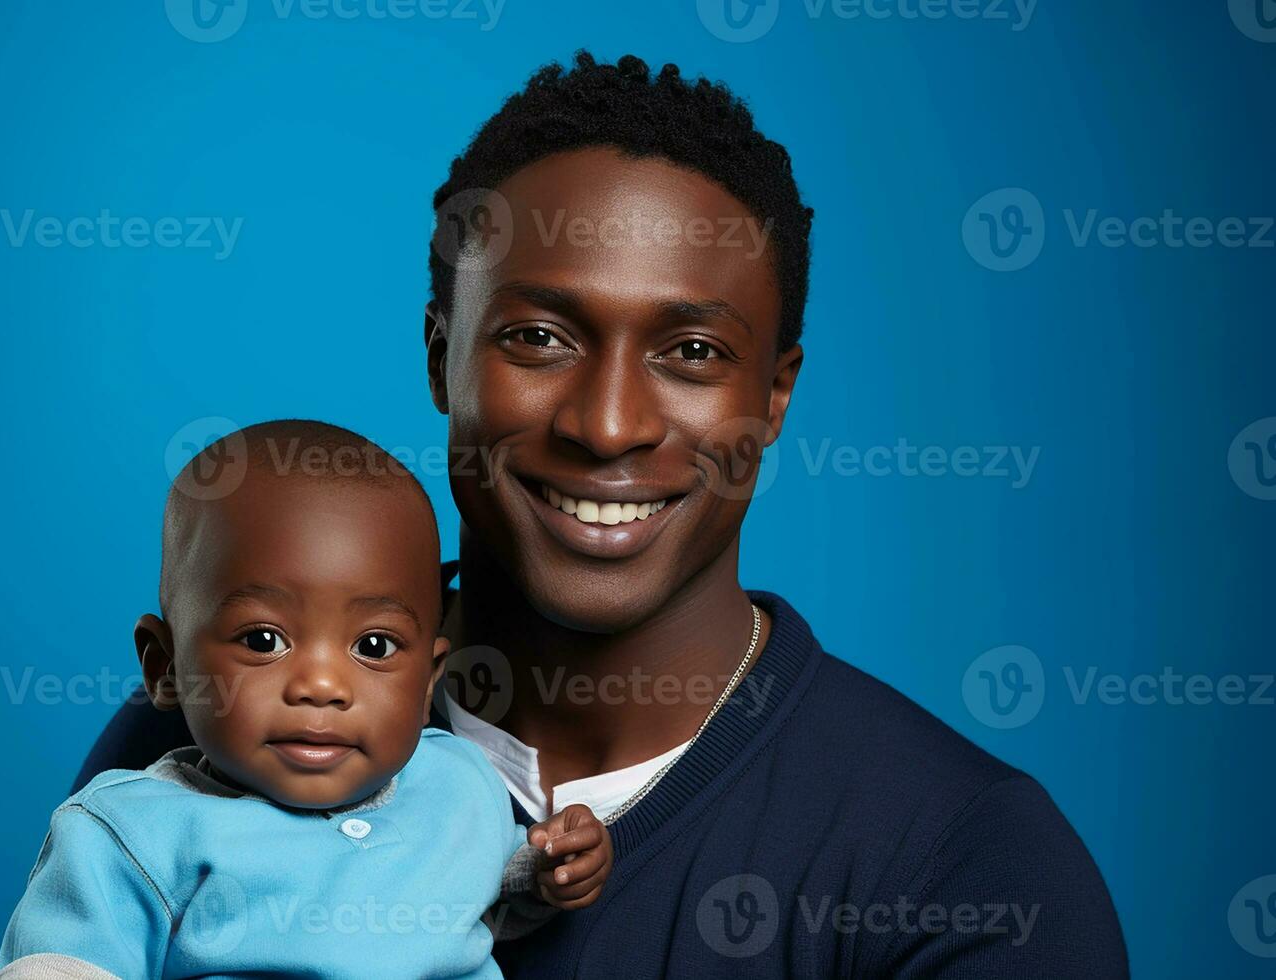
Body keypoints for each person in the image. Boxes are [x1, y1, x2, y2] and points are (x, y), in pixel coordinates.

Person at [80, 54, 1128, 977]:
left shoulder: (960, 861)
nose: (609, 423)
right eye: (538, 336)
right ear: (440, 353)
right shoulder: (206, 734)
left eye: (694, 353)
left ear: (775, 397)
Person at [0, 421, 612, 979]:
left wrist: (548, 871)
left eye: (373, 646)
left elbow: (481, 898)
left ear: (428, 681)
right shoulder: (132, 834)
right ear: (165, 668)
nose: (322, 686)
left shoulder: (457, 782)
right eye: (264, 641)